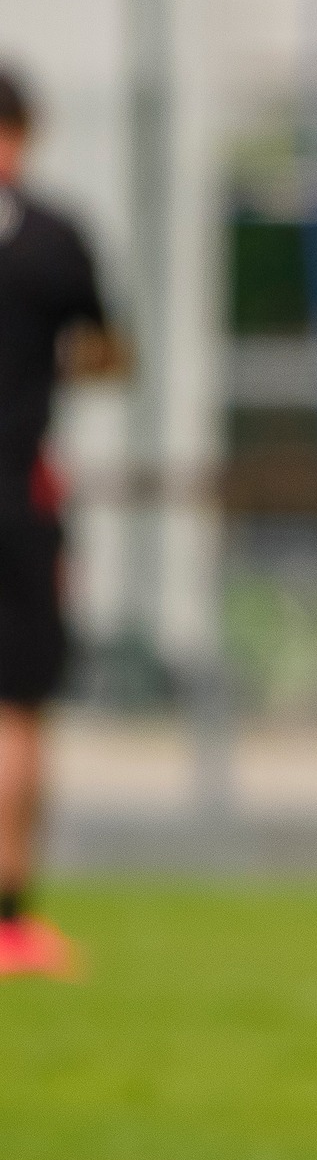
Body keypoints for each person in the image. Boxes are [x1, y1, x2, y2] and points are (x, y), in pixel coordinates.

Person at [0, 68, 125, 978]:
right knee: (20, 713)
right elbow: (111, 351)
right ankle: (9, 923)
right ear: (25, 132)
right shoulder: (49, 238)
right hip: (17, 497)